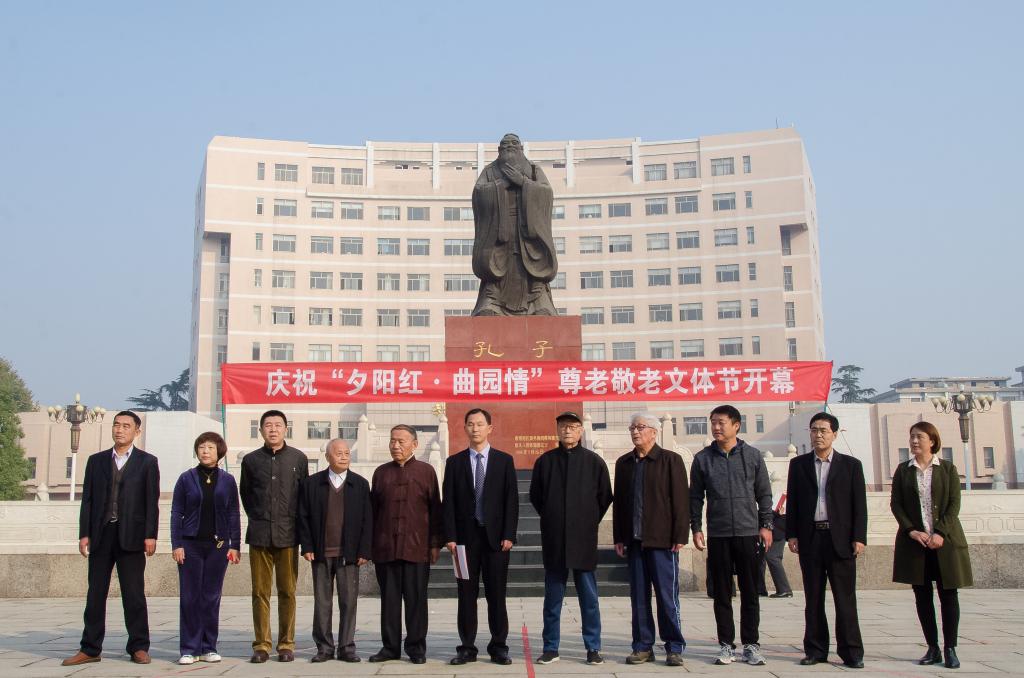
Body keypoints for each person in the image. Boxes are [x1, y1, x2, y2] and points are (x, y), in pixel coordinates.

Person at [62, 411, 160, 667]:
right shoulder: (96, 461)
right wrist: (84, 533)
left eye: (126, 426)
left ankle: (139, 646)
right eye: (117, 425)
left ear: (136, 431)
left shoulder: (147, 462)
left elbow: (151, 502)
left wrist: (151, 535)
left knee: (134, 594)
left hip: (132, 537)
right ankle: (90, 647)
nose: (120, 430)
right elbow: (88, 500)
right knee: (95, 594)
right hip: (101, 535)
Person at [690, 404, 773, 666]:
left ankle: (751, 644)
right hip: (719, 534)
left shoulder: (753, 456)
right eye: (713, 422)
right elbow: (695, 497)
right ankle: (726, 644)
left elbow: (764, 494)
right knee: (722, 593)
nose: (716, 427)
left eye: (721, 422)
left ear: (736, 425)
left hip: (748, 533)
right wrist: (696, 527)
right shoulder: (702, 459)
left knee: (750, 591)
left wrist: (766, 525)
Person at [530, 411, 612, 666]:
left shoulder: (594, 462)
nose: (568, 430)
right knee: (552, 598)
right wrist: (553, 517)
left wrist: (587, 520)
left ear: (581, 431)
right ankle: (550, 647)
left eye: (573, 426)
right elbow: (536, 496)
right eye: (564, 426)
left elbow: (604, 497)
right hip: (555, 539)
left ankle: (593, 647)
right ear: (557, 430)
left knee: (589, 599)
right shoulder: (545, 462)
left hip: (583, 539)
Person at [786, 412, 867, 669]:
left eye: (823, 430)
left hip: (840, 539)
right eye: (814, 430)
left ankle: (851, 651)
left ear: (834, 434)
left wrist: (859, 537)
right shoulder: (798, 465)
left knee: (845, 599)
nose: (818, 435)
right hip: (811, 539)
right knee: (813, 598)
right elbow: (793, 502)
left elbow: (859, 505)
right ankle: (815, 649)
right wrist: (791, 534)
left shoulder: (851, 465)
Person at [891, 421, 972, 670]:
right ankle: (932, 647)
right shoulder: (903, 470)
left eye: (920, 437)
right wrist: (911, 530)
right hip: (915, 543)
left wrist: (940, 532)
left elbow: (954, 504)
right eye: (912, 437)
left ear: (932, 441)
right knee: (922, 595)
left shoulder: (947, 469)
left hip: (944, 542)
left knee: (948, 595)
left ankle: (950, 648)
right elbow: (896, 504)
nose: (915, 441)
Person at [612, 413, 690, 667]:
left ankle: (674, 646)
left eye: (640, 427)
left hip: (663, 541)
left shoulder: (670, 460)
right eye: (632, 428)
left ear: (654, 432)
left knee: (667, 597)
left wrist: (680, 534)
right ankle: (643, 645)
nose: (635, 432)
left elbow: (681, 500)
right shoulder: (624, 463)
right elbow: (619, 504)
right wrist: (619, 537)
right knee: (639, 598)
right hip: (634, 542)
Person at [442, 409, 518, 666]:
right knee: (466, 595)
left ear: (489, 428)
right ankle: (466, 648)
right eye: (470, 424)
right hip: (464, 542)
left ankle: (499, 647)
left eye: (480, 424)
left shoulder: (504, 461)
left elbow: (511, 500)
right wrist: (450, 536)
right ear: (465, 428)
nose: (475, 428)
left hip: (496, 541)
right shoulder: (454, 462)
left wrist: (509, 534)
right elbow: (448, 502)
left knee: (497, 595)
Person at [239, 409, 309, 663]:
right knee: (260, 591)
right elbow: (246, 495)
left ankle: (286, 644)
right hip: (259, 535)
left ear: (285, 429)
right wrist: (259, 517)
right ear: (261, 430)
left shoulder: (298, 458)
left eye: (278, 425)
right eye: (268, 425)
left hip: (288, 535)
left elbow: (303, 497)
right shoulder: (251, 460)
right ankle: (262, 644)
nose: (273, 429)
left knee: (287, 591)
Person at [369, 424, 443, 664]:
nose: (395, 445)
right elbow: (372, 512)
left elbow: (435, 510)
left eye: (401, 441)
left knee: (416, 601)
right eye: (392, 441)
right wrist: (370, 546)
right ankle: (390, 647)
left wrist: (435, 544)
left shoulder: (426, 471)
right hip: (386, 549)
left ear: (415, 444)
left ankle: (416, 648)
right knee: (389, 602)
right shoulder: (381, 473)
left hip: (417, 548)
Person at [297, 439, 372, 663]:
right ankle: (324, 648)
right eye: (339, 453)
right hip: (321, 552)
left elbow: (368, 519)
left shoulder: (360, 484)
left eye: (347, 453)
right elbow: (303, 516)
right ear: (328, 457)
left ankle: (347, 647)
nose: (344, 457)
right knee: (322, 602)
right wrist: (307, 546)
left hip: (349, 553)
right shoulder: (312, 483)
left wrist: (364, 550)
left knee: (349, 602)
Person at [170, 432, 241, 665]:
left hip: (218, 546)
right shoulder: (186, 478)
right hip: (190, 545)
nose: (205, 451)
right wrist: (177, 544)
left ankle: (209, 646)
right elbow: (176, 513)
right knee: (190, 597)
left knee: (211, 597)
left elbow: (233, 513)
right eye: (201, 447)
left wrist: (235, 545)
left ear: (219, 451)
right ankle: (189, 648)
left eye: (210, 447)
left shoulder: (228, 480)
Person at [471, 132, 559, 316]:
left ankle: (538, 300)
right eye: (505, 144)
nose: (509, 146)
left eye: (514, 143)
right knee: (496, 261)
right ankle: (492, 301)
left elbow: (546, 192)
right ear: (499, 150)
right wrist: (502, 184)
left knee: (532, 258)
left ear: (521, 148)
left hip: (528, 226)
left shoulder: (533, 169)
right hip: (498, 228)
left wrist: (523, 182)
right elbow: (479, 193)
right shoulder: (490, 171)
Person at [757, 490, 792, 598]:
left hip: (777, 533)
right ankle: (760, 589)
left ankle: (784, 589)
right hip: (766, 532)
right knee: (759, 559)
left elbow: (773, 514)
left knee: (772, 557)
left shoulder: (780, 497)